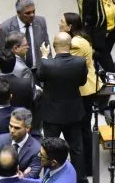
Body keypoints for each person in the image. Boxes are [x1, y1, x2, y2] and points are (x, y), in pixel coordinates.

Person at [37, 33, 88, 183]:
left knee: (49, 151)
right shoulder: (80, 62)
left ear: (53, 46)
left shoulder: (47, 64)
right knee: (77, 149)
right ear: (71, 46)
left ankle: (49, 179)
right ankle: (79, 179)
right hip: (73, 112)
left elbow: (40, 77)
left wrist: (44, 57)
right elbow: (82, 82)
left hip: (52, 115)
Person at [59, 13, 103, 177]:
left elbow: (70, 66)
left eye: (62, 22)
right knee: (83, 128)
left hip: (84, 90)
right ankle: (87, 164)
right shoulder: (80, 37)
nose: (59, 24)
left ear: (70, 27)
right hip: (87, 88)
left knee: (83, 129)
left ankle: (87, 166)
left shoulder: (75, 43)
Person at [0, 0, 50, 73]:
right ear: (18, 13)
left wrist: (48, 67)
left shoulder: (41, 21)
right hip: (17, 73)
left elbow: (47, 46)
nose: (32, 15)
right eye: (27, 13)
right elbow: (0, 53)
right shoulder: (5, 27)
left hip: (39, 71)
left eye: (33, 11)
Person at [0, 107, 42, 180]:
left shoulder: (37, 149)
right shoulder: (2, 139)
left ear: (27, 128)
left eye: (17, 128)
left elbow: (32, 175)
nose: (12, 131)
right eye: (10, 126)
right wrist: (17, 177)